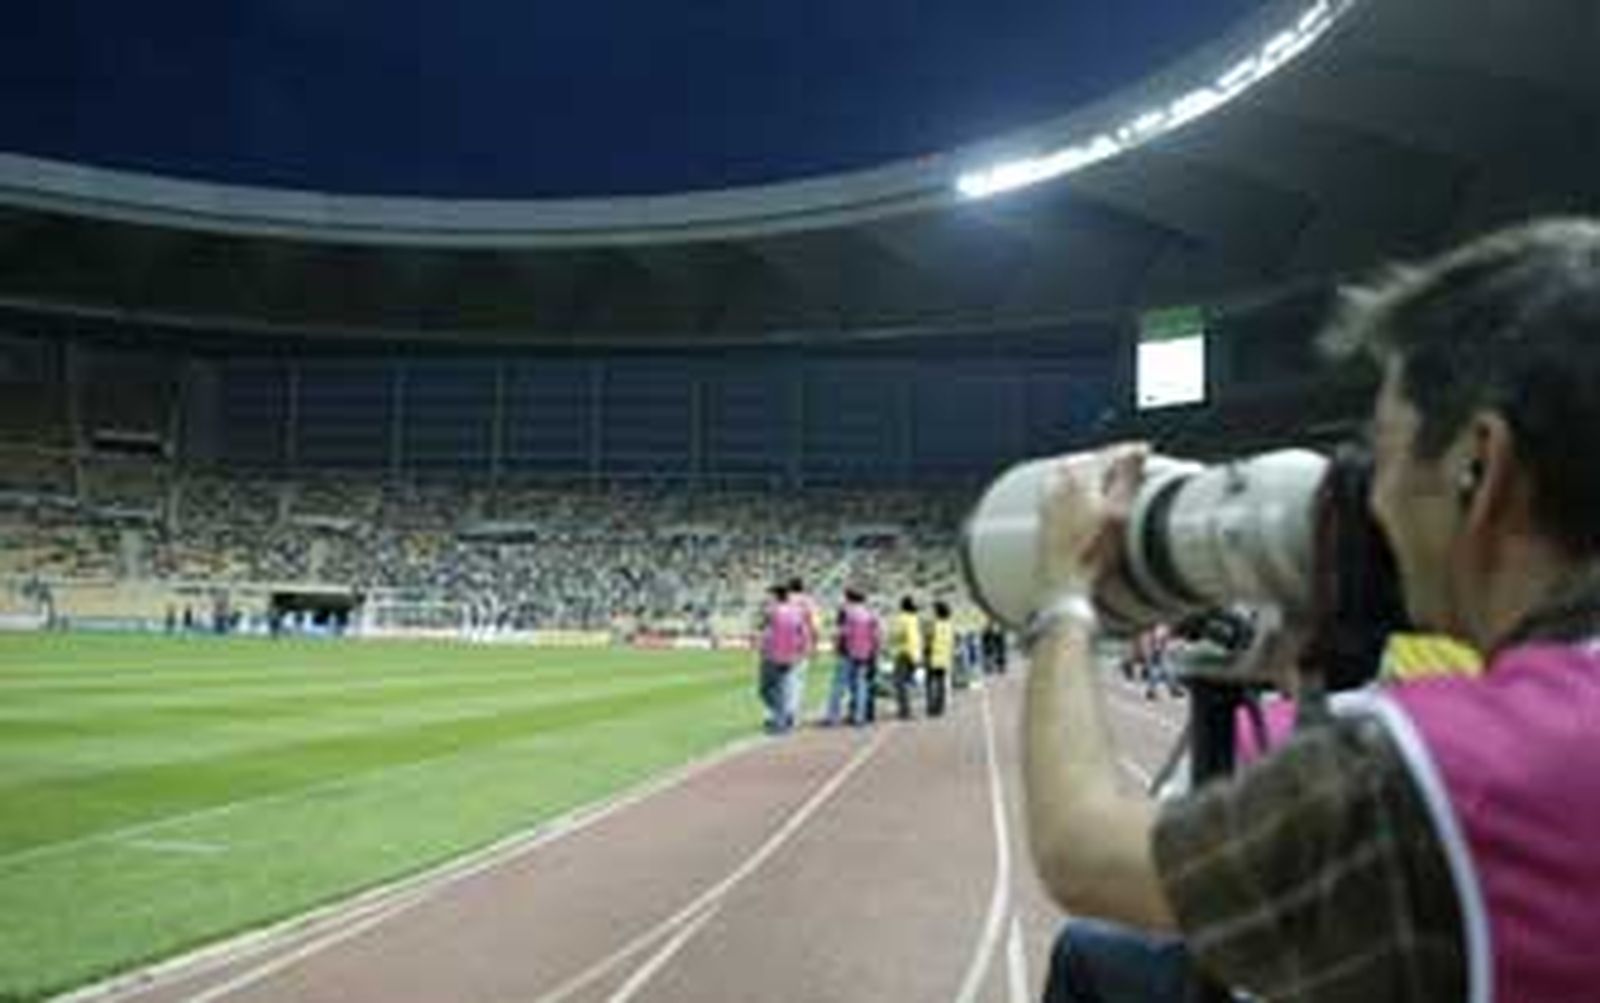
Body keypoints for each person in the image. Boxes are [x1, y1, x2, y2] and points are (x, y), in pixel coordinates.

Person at [1019, 219, 1600, 1002]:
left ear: (1479, 464)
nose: (1372, 501)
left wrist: (1065, 596)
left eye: (1386, 454)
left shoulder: (1459, 770)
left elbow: (1080, 849)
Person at [758, 584, 810, 734]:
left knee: (766, 690)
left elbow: (763, 630)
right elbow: (804, 634)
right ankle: (784, 716)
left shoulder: (772, 611)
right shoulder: (797, 612)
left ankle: (780, 718)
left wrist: (762, 645)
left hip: (772, 655)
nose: (767, 599)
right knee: (783, 688)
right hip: (791, 655)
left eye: (769, 596)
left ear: (776, 596)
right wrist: (802, 651)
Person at [826, 587, 880, 726]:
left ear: (848, 598)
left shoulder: (845, 612)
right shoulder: (870, 613)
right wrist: (874, 650)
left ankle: (833, 716)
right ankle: (859, 717)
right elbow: (876, 635)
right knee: (861, 685)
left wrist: (835, 646)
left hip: (846, 652)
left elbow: (841, 633)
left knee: (838, 685)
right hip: (864, 653)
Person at [889, 596, 923, 720]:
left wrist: (891, 639)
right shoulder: (914, 619)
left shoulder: (902, 619)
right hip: (914, 654)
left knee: (900, 683)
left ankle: (905, 711)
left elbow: (897, 635)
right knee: (907, 683)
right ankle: (906, 709)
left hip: (903, 653)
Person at [926, 600, 955, 716]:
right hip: (945, 658)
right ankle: (940, 707)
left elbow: (929, 640)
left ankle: (932, 707)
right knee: (941, 684)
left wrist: (927, 649)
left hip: (934, 657)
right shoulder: (949, 625)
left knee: (931, 684)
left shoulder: (935, 625)